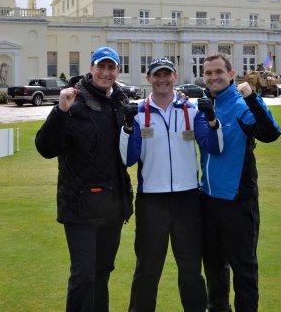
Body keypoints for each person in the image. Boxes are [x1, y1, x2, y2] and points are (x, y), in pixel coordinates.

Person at [119, 57, 223, 312]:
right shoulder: (139, 112)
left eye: (167, 74)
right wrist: (127, 127)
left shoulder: (191, 110)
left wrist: (212, 121)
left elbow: (215, 146)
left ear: (175, 76)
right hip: (151, 201)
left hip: (187, 200)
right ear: (149, 78)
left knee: (190, 270)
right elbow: (128, 159)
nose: (162, 79)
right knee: (147, 270)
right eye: (157, 75)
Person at [35, 46, 134, 312]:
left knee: (102, 272)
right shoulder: (74, 101)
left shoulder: (122, 103)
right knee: (83, 276)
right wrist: (60, 111)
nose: (106, 72)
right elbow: (45, 148)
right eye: (100, 66)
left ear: (117, 70)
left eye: (111, 67)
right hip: (79, 205)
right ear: (91, 68)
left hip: (112, 204)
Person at [199, 53, 281, 312]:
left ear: (231, 74)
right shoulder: (204, 106)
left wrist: (251, 98)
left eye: (218, 72)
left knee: (244, 272)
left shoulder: (240, 105)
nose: (213, 77)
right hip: (208, 201)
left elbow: (270, 133)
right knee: (214, 271)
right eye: (208, 73)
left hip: (238, 202)